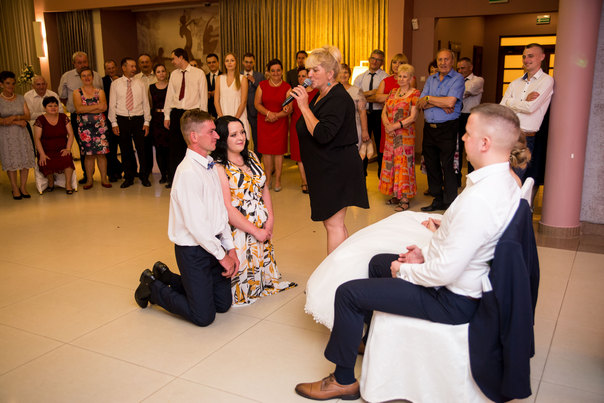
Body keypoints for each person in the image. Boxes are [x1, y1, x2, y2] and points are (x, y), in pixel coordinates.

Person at [295, 103, 523, 401]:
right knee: (377, 262)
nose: (463, 138)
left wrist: (405, 269)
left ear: (485, 143)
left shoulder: (480, 198)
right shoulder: (504, 181)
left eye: (468, 133)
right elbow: (469, 241)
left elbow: (445, 272)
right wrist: (425, 251)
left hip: (452, 299)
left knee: (348, 293)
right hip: (462, 281)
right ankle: (363, 339)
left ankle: (342, 380)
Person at [134, 109, 239, 327]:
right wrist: (222, 257)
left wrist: (230, 248)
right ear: (194, 137)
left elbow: (220, 211)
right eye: (211, 131)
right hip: (193, 251)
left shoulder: (210, 165)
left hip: (213, 243)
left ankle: (168, 277)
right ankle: (153, 287)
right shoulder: (188, 172)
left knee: (223, 304)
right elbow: (197, 227)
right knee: (204, 317)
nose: (217, 135)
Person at [291, 46, 369, 255]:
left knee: (334, 225)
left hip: (336, 168)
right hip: (325, 167)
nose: (309, 75)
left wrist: (303, 107)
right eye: (308, 70)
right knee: (334, 224)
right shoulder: (321, 95)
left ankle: (334, 273)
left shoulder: (338, 98)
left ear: (330, 74)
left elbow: (323, 134)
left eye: (315, 70)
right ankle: (346, 267)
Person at [212, 115, 297, 305]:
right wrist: (256, 231)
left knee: (261, 276)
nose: (241, 137)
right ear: (223, 138)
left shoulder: (251, 156)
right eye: (234, 135)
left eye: (242, 132)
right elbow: (227, 208)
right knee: (240, 287)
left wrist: (270, 218)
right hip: (239, 230)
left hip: (261, 225)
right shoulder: (219, 166)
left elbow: (263, 187)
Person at [417, 49, 465, 212]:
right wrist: (440, 102)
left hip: (448, 128)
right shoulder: (431, 79)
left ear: (452, 61)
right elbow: (420, 102)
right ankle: (437, 198)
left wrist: (429, 99)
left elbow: (451, 102)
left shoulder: (458, 79)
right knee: (431, 165)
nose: (443, 63)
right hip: (429, 128)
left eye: (446, 59)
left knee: (447, 165)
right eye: (440, 60)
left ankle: (450, 201)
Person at [500, 43, 554, 184]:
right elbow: (502, 109)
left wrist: (511, 102)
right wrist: (523, 101)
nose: (526, 60)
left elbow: (531, 108)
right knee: (502, 179)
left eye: (530, 56)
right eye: (524, 56)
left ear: (542, 57)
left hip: (525, 138)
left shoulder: (546, 81)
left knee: (516, 180)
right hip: (506, 135)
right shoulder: (515, 83)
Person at [163, 48, 208, 188]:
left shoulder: (198, 73)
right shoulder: (174, 75)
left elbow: (203, 97)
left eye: (173, 58)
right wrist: (167, 115)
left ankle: (195, 179)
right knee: (175, 148)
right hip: (177, 113)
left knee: (193, 147)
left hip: (193, 114)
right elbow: (169, 96)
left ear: (181, 57)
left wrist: (203, 119)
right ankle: (174, 179)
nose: (172, 61)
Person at [379, 64, 421, 211]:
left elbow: (413, 117)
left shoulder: (415, 93)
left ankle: (404, 199)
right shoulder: (392, 92)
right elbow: (384, 112)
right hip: (390, 134)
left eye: (405, 76)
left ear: (410, 78)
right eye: (400, 76)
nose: (402, 79)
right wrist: (387, 126)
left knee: (403, 164)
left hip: (404, 135)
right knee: (391, 162)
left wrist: (394, 126)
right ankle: (396, 194)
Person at [57, 51, 103, 184]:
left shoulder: (97, 76)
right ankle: (87, 175)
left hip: (97, 118)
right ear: (74, 63)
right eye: (79, 62)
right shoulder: (67, 76)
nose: (82, 65)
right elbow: (62, 97)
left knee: (101, 148)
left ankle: (104, 175)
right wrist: (77, 108)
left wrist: (91, 109)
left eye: (84, 62)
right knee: (84, 147)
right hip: (77, 118)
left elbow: (102, 95)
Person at [108, 57, 152, 188]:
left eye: (134, 66)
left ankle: (144, 176)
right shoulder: (115, 84)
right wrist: (114, 123)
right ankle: (129, 177)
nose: (134, 69)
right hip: (122, 119)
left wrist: (147, 121)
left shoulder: (140, 83)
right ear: (124, 67)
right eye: (131, 66)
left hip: (138, 119)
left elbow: (146, 103)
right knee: (125, 150)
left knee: (141, 149)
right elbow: (112, 104)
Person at [254, 59, 291, 192]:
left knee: (279, 152)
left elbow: (289, 108)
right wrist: (269, 114)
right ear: (268, 72)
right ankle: (268, 178)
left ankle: (278, 179)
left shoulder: (287, 87)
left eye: (278, 70)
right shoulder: (262, 85)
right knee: (266, 152)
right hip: (264, 122)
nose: (276, 73)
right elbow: (257, 104)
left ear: (282, 71)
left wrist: (276, 116)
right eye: (273, 70)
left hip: (280, 123)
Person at [73, 67, 110, 189]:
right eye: (84, 76)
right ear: (80, 78)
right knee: (88, 155)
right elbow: (79, 109)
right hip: (85, 129)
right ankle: (89, 180)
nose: (87, 78)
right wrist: (96, 107)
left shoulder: (100, 92)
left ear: (93, 77)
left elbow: (104, 107)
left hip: (100, 128)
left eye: (89, 75)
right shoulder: (77, 92)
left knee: (101, 154)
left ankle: (104, 179)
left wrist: (87, 108)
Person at [0, 71, 35, 199]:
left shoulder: (20, 98)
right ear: (1, 84)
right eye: (8, 83)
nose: (11, 86)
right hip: (6, 135)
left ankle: (23, 187)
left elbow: (28, 116)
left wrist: (14, 117)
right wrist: (15, 121)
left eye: (13, 83)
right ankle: (14, 187)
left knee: (24, 159)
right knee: (11, 160)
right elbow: (1, 120)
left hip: (22, 133)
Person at [353, 49, 388, 177]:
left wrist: (365, 95)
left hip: (379, 115)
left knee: (380, 146)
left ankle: (381, 175)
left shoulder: (385, 78)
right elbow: (355, 96)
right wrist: (373, 92)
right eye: (373, 58)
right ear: (369, 59)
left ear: (382, 62)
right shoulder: (360, 77)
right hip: (364, 115)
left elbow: (382, 98)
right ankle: (361, 174)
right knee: (363, 145)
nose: (374, 61)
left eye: (378, 59)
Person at [33, 96, 75, 194]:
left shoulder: (63, 117)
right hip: (46, 150)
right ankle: (51, 182)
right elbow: (37, 139)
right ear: (44, 107)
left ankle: (68, 184)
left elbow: (71, 134)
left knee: (67, 158)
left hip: (62, 149)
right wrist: (42, 154)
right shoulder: (40, 119)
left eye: (55, 106)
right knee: (45, 161)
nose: (53, 108)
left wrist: (68, 149)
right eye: (50, 106)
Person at [374, 53, 412, 156]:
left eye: (401, 63)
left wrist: (389, 98)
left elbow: (409, 98)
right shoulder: (385, 80)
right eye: (394, 62)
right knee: (386, 152)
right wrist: (396, 97)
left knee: (401, 153)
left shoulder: (410, 80)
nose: (397, 65)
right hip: (387, 119)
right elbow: (378, 98)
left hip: (403, 121)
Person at [288, 67, 318, 194]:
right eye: (299, 76)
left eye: (303, 76)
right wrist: (286, 109)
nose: (301, 78)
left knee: (313, 154)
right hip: (297, 126)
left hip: (311, 125)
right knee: (299, 156)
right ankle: (304, 182)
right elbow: (290, 109)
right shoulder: (294, 92)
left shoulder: (317, 92)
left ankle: (314, 181)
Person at [457, 57, 484, 180]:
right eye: (458, 68)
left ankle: (472, 179)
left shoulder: (478, 80)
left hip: (471, 117)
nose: (460, 71)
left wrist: (454, 94)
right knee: (457, 149)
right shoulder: (456, 81)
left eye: (463, 68)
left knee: (471, 149)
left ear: (471, 67)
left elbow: (465, 91)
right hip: (457, 116)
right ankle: (456, 179)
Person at [214, 53, 251, 137]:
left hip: (239, 117)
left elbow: (243, 102)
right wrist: (222, 119)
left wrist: (234, 120)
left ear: (236, 62)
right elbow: (216, 101)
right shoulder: (219, 78)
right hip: (223, 117)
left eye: (232, 60)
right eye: (227, 61)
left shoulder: (243, 79)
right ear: (224, 63)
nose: (229, 63)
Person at [337, 63, 369, 149]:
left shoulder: (356, 91)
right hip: (336, 128)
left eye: (345, 72)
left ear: (349, 74)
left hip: (354, 128)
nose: (343, 75)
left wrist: (364, 131)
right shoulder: (331, 90)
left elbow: (362, 113)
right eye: (340, 72)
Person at [101, 60, 123, 182]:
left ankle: (126, 170)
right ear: (105, 70)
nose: (111, 70)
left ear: (116, 68)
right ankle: (113, 172)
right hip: (108, 118)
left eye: (113, 68)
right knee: (111, 147)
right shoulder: (102, 81)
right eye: (108, 68)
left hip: (122, 116)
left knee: (124, 146)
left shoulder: (122, 79)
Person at [149, 63, 170, 184]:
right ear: (155, 74)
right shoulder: (151, 88)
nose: (161, 74)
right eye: (158, 71)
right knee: (159, 148)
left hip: (169, 119)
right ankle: (163, 175)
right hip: (156, 120)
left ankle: (170, 173)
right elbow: (150, 104)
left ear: (166, 72)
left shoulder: (171, 86)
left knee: (169, 148)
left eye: (163, 71)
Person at [241, 52, 265, 158]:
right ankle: (243, 158)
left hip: (255, 111)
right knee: (242, 135)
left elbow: (264, 90)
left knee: (257, 137)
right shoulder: (238, 75)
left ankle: (257, 159)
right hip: (241, 110)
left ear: (254, 63)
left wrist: (254, 81)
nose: (248, 64)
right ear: (243, 62)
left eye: (250, 62)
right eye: (246, 62)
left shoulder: (260, 76)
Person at [206, 53, 222, 118]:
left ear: (218, 62)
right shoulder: (204, 77)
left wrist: (217, 92)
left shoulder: (224, 76)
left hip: (221, 109)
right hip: (209, 111)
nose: (211, 64)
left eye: (213, 62)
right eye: (209, 63)